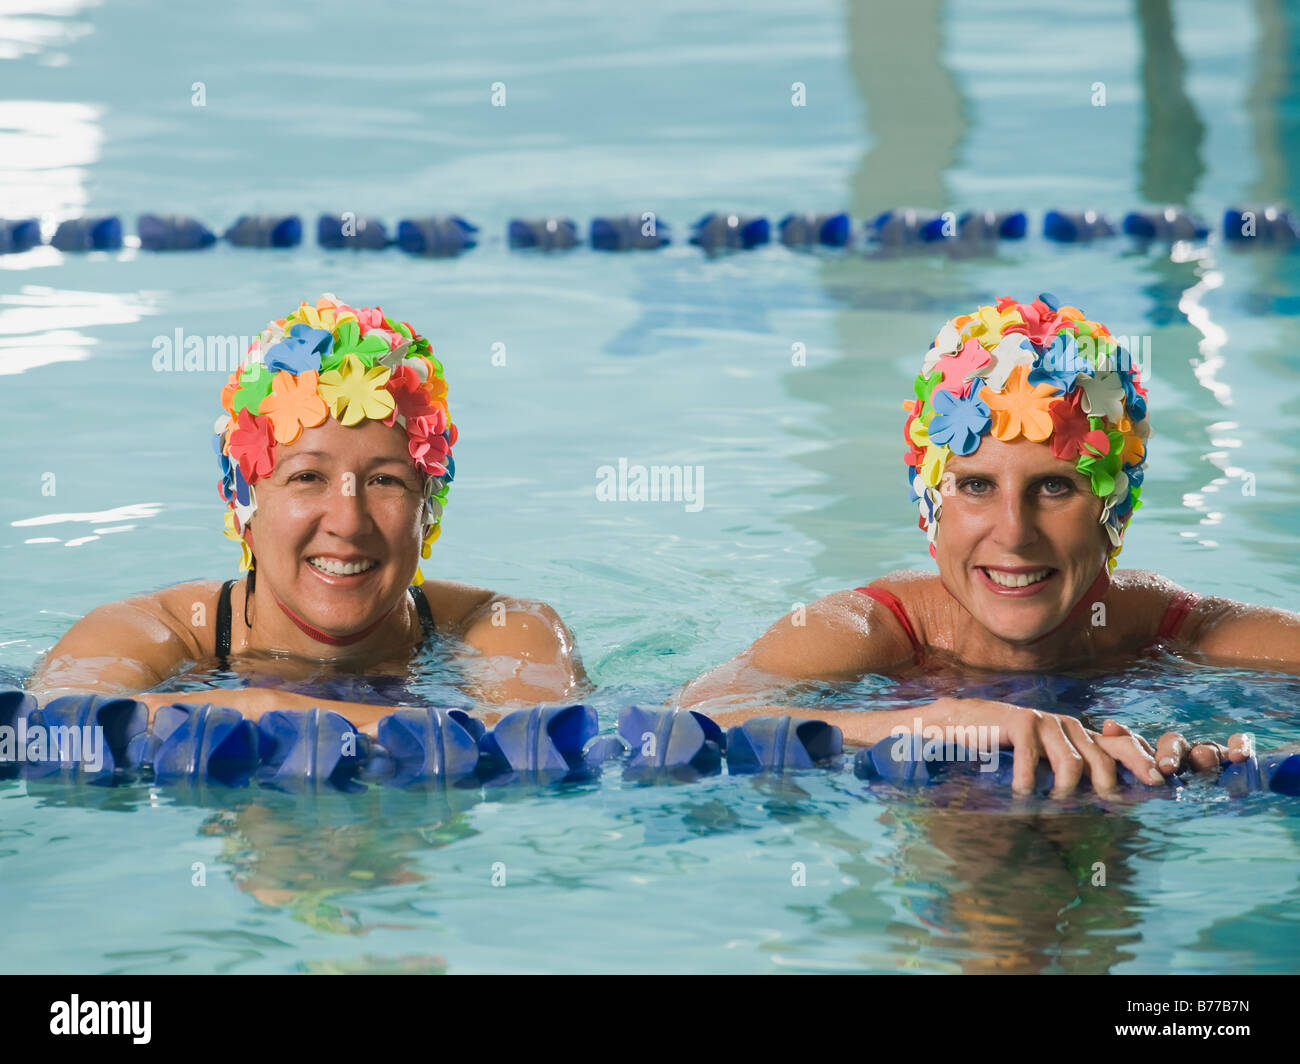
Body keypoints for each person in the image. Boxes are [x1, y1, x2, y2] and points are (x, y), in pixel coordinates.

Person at [679, 294, 1300, 793]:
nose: (1013, 531)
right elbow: (691, 722)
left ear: (1111, 506)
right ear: (932, 505)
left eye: (1055, 487)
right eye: (975, 485)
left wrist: (1241, 754)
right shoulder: (868, 630)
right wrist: (936, 724)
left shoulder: (1182, 633)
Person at [27, 294, 587, 732]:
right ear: (243, 499)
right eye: (306, 477)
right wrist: (279, 704)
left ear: (429, 506)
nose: (348, 521)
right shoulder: (151, 633)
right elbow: (66, 725)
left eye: (385, 481)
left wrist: (258, 710)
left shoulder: (502, 628)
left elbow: (536, 735)